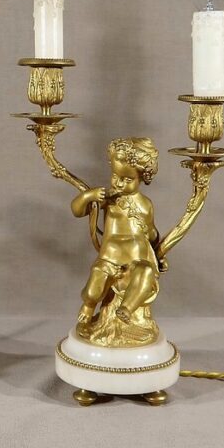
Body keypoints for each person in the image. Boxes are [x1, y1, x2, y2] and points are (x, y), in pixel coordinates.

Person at [70, 137, 161, 339]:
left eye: (127, 179)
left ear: (141, 178)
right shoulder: (109, 199)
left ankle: (126, 309)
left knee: (145, 272)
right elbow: (77, 210)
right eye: (115, 176)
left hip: (137, 258)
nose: (119, 183)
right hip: (110, 257)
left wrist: (158, 251)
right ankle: (88, 309)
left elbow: (151, 231)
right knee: (97, 280)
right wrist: (88, 196)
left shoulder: (146, 204)